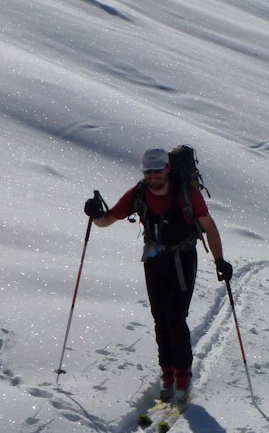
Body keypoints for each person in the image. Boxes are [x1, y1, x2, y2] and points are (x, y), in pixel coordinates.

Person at [84, 148, 233, 403]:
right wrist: (94, 214)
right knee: (160, 319)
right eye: (148, 171)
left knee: (175, 317)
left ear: (167, 169)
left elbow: (208, 226)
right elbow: (107, 220)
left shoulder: (187, 194)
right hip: (154, 260)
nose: (153, 176)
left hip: (183, 258)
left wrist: (219, 260)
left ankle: (183, 375)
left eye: (157, 170)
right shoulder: (138, 193)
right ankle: (167, 373)